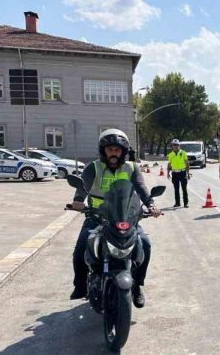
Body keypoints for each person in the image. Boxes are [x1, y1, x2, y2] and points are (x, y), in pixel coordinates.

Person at [69, 129, 161, 308]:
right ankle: (80, 285)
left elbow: (141, 188)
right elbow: (82, 187)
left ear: (123, 152)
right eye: (109, 149)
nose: (113, 153)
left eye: (117, 150)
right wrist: (78, 201)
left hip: (126, 217)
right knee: (81, 247)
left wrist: (151, 205)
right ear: (103, 151)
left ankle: (137, 286)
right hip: (97, 217)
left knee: (145, 244)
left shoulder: (132, 168)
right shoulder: (93, 167)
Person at [167, 139, 190, 208]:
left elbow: (187, 163)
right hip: (174, 173)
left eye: (177, 145)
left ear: (179, 145)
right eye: (174, 145)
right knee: (176, 189)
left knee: (184, 188)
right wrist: (168, 173)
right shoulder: (170, 155)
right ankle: (177, 203)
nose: (175, 146)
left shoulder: (183, 153)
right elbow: (169, 164)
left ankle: (185, 203)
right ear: (172, 146)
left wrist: (188, 173)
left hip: (182, 172)